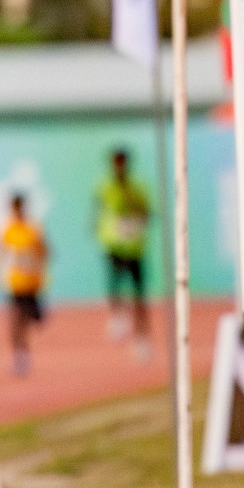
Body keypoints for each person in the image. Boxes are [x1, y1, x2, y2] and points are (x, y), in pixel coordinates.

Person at [96, 147, 152, 361]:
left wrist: (135, 221)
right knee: (114, 286)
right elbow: (100, 212)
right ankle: (117, 317)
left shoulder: (137, 188)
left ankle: (142, 339)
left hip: (134, 248)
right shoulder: (105, 187)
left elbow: (146, 213)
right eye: (116, 162)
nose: (119, 166)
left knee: (139, 297)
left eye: (122, 162)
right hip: (114, 246)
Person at [0, 193, 49, 376]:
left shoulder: (33, 228)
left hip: (32, 283)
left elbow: (45, 251)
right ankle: (21, 356)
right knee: (15, 321)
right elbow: (1, 252)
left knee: (30, 320)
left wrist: (33, 262)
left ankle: (39, 314)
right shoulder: (7, 229)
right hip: (15, 283)